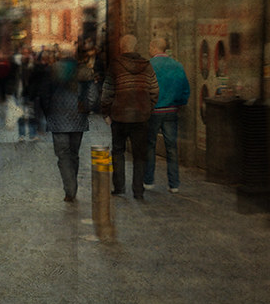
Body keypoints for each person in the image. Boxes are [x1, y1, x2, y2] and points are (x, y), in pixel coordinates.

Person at [100, 35, 158, 200]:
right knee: (140, 155)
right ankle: (138, 191)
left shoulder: (115, 66)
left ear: (121, 47)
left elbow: (107, 91)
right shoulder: (147, 66)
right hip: (141, 117)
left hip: (119, 116)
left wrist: (106, 112)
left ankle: (119, 187)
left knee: (118, 151)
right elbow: (154, 89)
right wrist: (148, 108)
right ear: (136, 46)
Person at [38, 48, 93, 202]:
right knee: (74, 154)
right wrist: (87, 109)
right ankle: (72, 185)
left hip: (58, 116)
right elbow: (92, 93)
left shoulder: (52, 70)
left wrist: (48, 112)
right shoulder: (84, 70)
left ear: (60, 55)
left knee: (63, 155)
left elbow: (44, 94)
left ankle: (70, 189)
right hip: (78, 116)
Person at [144, 38, 191, 193]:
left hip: (153, 111)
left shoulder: (148, 66)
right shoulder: (177, 65)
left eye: (150, 47)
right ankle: (174, 183)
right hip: (171, 110)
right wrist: (179, 102)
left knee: (150, 145)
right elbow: (185, 89)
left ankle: (149, 180)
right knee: (171, 147)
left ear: (154, 47)